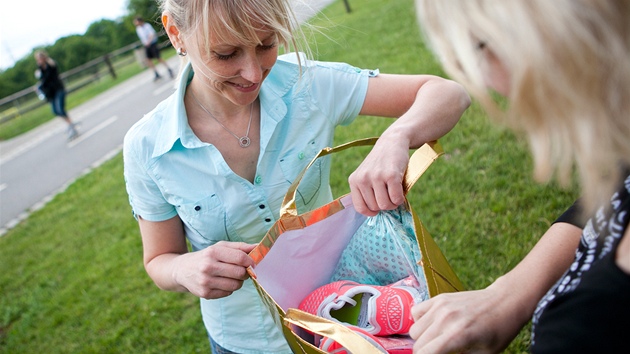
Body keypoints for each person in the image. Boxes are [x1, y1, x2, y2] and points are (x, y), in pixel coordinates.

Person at [122, 0, 470, 353]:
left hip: (344, 321)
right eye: (226, 54)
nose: (253, 74)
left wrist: (397, 137)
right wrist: (185, 269)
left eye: (267, 44)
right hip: (243, 342)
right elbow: (159, 260)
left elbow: (449, 94)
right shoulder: (147, 146)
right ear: (174, 33)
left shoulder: (307, 84)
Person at [411, 0, 630, 353]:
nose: (485, 79)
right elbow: (611, 200)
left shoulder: (588, 327)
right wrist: (510, 293)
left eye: (479, 47)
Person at [34, 50, 79, 141]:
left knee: (60, 109)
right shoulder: (40, 70)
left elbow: (48, 78)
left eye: (39, 59)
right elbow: (43, 81)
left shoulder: (50, 66)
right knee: (55, 111)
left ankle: (71, 126)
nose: (38, 61)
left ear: (43, 58)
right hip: (51, 93)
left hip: (58, 90)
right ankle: (70, 124)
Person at [133, 16, 174, 81]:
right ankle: (156, 73)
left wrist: (149, 41)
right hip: (146, 45)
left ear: (140, 21)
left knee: (158, 58)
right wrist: (146, 43)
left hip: (152, 43)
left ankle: (169, 69)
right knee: (148, 59)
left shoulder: (147, 26)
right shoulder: (138, 29)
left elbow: (152, 34)